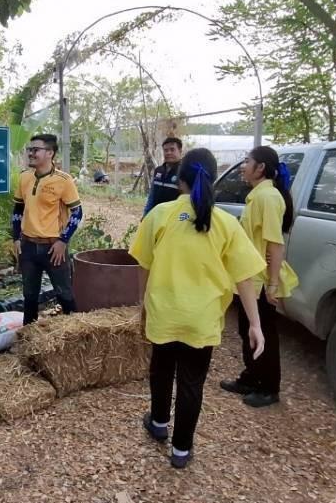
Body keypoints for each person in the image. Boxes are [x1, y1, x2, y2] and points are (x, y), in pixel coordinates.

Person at [129, 147, 268, 469]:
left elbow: (143, 265)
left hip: (164, 311)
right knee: (192, 383)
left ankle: (159, 424)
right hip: (202, 319)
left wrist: (143, 303)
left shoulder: (160, 215)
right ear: (213, 178)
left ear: (180, 179)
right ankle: (181, 450)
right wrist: (255, 324)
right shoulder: (225, 223)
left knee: (161, 369)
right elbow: (244, 277)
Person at [219, 146, 300, 408]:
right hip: (250, 277)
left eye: (247, 162)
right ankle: (251, 377)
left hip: (261, 280)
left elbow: (275, 245)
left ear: (261, 167)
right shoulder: (259, 195)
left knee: (264, 330)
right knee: (247, 329)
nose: (243, 167)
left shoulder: (268, 198)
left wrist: (272, 284)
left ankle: (269, 387)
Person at [12, 134, 82, 325]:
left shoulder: (63, 180)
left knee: (64, 294)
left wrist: (63, 241)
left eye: (35, 150)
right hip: (27, 246)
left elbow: (77, 213)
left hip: (53, 249)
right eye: (30, 150)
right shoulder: (24, 177)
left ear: (50, 153)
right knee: (29, 296)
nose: (31, 153)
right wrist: (16, 238)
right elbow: (18, 208)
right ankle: (29, 340)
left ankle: (75, 336)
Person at [143, 137, 184, 217]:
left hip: (174, 219)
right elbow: (152, 195)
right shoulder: (158, 170)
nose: (168, 153)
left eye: (172, 150)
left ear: (180, 151)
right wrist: (146, 214)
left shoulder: (185, 171)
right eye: (166, 150)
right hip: (156, 216)